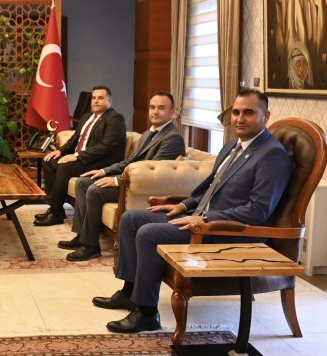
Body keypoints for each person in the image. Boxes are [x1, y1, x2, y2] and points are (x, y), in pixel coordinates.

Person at [93, 89, 291, 334]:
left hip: (228, 230)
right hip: (201, 216)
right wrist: (184, 205)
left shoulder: (272, 155)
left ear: (265, 116)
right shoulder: (233, 146)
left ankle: (146, 313)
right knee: (131, 218)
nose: (239, 119)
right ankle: (129, 292)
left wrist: (205, 218)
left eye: (248, 113)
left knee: (148, 233)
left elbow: (258, 210)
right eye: (236, 112)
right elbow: (210, 187)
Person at [60, 92, 185, 261]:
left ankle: (90, 246)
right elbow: (131, 161)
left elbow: (150, 173)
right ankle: (82, 235)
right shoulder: (148, 133)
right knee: (83, 182)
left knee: (95, 190)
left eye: (161, 108)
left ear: (173, 112)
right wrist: (104, 171)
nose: (155, 112)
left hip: (144, 188)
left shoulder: (173, 138)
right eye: (152, 107)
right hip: (131, 179)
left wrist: (116, 180)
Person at [34, 86, 126, 227]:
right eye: (93, 98)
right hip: (84, 159)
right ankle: (55, 208)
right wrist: (60, 151)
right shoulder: (87, 116)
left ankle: (56, 214)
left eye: (100, 98)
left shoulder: (115, 119)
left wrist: (77, 156)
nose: (96, 101)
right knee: (49, 161)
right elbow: (74, 139)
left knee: (64, 167)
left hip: (100, 162)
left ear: (110, 101)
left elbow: (105, 146)